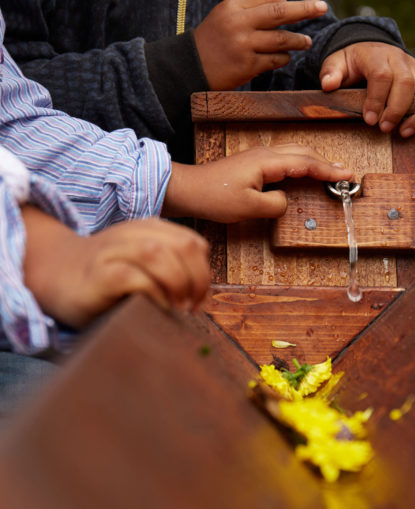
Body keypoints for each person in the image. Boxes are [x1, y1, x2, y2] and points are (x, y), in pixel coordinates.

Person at [0, 10, 353, 407]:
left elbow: (12, 112)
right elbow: (31, 81)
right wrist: (183, 66)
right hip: (52, 314)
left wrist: (355, 40)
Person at [0, 0, 415, 161]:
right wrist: (185, 67)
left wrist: (356, 41)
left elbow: (301, 37)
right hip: (49, 288)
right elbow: (13, 99)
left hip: (228, 265)